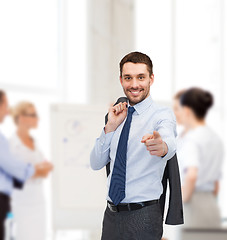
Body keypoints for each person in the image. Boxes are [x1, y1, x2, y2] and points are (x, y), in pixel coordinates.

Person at [90, 52, 179, 240]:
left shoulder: (161, 115)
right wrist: (110, 127)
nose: (134, 85)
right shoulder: (115, 116)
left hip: (144, 216)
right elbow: (96, 162)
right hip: (111, 216)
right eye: (128, 78)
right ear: (121, 80)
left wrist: (161, 146)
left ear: (151, 79)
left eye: (141, 77)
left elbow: (169, 142)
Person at [0, 88, 52, 240]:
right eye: (4, 106)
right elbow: (13, 169)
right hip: (8, 202)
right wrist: (36, 171)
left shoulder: (34, 142)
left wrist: (39, 170)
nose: (6, 111)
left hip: (35, 201)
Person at [177, 88, 223, 229]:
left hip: (193, 205)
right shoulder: (215, 138)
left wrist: (181, 202)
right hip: (211, 204)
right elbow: (216, 184)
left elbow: (191, 175)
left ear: (187, 110)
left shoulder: (192, 139)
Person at [9, 101, 53, 240]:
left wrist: (36, 170)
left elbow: (44, 168)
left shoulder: (34, 141)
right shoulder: (11, 144)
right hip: (22, 203)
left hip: (38, 201)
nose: (37, 119)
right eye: (33, 115)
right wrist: (36, 170)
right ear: (21, 118)